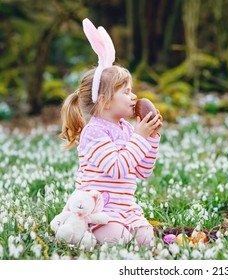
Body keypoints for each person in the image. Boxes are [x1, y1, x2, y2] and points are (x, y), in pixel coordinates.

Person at [59, 19, 163, 246]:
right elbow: (117, 168)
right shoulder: (94, 133)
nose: (133, 97)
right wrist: (140, 137)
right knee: (119, 238)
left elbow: (143, 171)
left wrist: (151, 139)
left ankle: (125, 231)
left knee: (147, 239)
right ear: (105, 102)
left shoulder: (126, 129)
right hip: (99, 209)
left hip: (126, 207)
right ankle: (81, 232)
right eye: (126, 92)